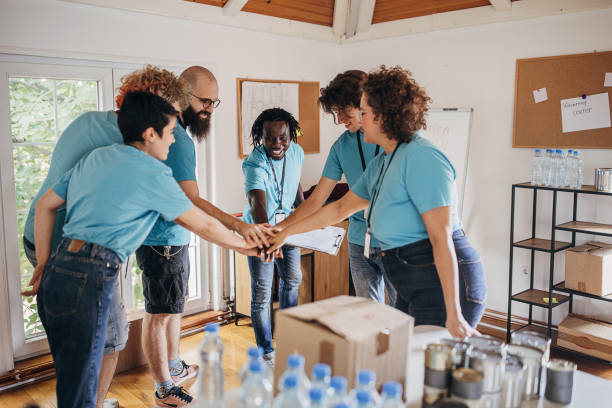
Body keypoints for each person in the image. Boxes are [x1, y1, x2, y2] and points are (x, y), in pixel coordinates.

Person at [27, 91, 259, 407]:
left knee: (72, 379)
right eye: (170, 133)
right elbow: (201, 225)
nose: (174, 142)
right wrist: (246, 247)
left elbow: (45, 206)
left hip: (57, 268)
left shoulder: (97, 157)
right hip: (90, 276)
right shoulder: (153, 174)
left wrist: (42, 263)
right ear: (150, 134)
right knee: (81, 389)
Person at [268, 66, 487, 338]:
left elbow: (441, 237)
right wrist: (283, 233)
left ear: (383, 116)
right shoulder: (384, 161)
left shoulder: (422, 157)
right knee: (401, 355)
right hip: (412, 281)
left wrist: (454, 313)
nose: (357, 120)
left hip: (440, 284)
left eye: (363, 112)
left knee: (426, 369)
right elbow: (338, 208)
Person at [21, 65, 190, 408]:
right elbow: (187, 206)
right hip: (74, 252)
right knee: (111, 339)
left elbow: (46, 204)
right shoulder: (127, 148)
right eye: (169, 121)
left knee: (76, 348)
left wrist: (41, 261)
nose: (173, 131)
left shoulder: (88, 122)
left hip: (38, 237)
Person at [134, 66, 274, 404]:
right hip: (162, 240)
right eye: (205, 100)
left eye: (215, 102)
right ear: (182, 95)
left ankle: (174, 367)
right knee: (159, 314)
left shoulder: (176, 132)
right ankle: (165, 388)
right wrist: (239, 226)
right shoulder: (178, 138)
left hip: (169, 239)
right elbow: (191, 200)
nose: (210, 108)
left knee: (171, 309)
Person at [277, 70, 396, 306]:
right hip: (359, 241)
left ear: (363, 102)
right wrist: (281, 228)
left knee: (401, 313)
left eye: (344, 110)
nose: (340, 119)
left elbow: (344, 207)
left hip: (393, 241)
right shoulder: (341, 146)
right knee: (368, 314)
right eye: (336, 112)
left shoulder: (392, 141)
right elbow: (316, 200)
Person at [242, 108, 304, 364]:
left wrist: (305, 213)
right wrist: (267, 238)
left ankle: (288, 341)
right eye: (270, 138)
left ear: (291, 136)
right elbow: (257, 201)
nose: (277, 144)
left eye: (283, 138)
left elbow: (296, 185)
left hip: (288, 228)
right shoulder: (254, 162)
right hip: (261, 231)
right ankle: (266, 352)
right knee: (263, 293)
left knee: (293, 280)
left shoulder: (297, 152)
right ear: (261, 135)